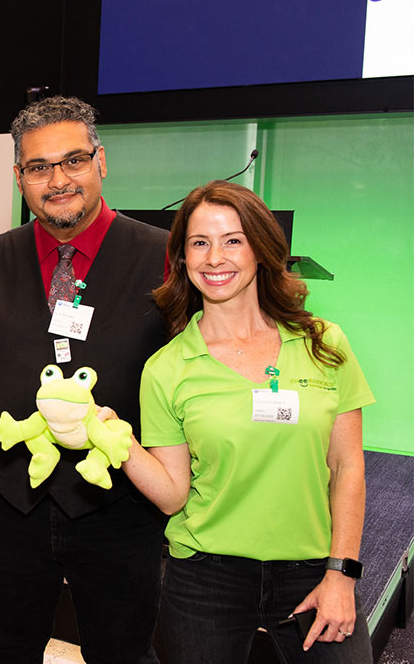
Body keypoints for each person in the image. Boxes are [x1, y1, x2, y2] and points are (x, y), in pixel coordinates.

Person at [122, 180, 374, 663]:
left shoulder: (324, 343)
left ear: (260, 248)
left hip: (313, 567)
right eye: (199, 242)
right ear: (182, 258)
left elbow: (347, 467)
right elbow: (173, 495)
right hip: (206, 575)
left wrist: (342, 573)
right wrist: (118, 441)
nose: (214, 258)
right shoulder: (166, 368)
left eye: (233, 240)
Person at [0, 95, 168, 663]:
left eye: (73, 161)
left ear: (101, 161)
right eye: (38, 167)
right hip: (12, 501)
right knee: (3, 651)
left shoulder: (164, 259)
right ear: (19, 178)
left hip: (120, 505)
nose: (58, 180)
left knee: (122, 654)